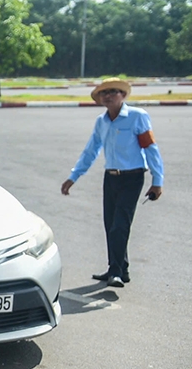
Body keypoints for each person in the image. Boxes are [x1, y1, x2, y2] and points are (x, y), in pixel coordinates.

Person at [60, 78, 164, 288]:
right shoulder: (102, 122)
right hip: (111, 178)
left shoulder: (137, 117)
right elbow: (91, 151)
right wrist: (74, 176)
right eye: (104, 93)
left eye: (114, 92)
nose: (108, 96)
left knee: (120, 225)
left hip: (132, 177)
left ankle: (115, 271)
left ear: (123, 95)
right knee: (111, 225)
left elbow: (150, 148)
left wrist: (157, 180)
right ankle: (119, 268)